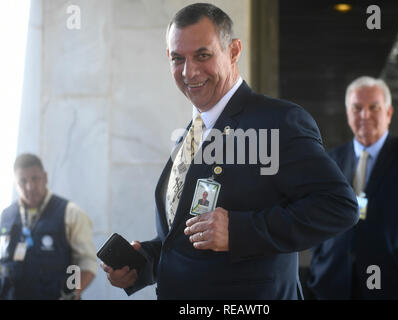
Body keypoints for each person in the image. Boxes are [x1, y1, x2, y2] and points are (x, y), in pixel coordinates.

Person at [101, 3, 358, 299]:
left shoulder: (278, 121)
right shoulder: (191, 133)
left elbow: (339, 207)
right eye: (177, 59)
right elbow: (188, 237)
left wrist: (238, 231)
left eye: (203, 55)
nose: (189, 71)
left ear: (234, 51)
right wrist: (143, 263)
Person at [307, 76, 398, 299]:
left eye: (374, 107)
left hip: (396, 286)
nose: (365, 115)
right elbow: (317, 220)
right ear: (347, 113)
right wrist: (318, 266)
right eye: (357, 108)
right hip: (334, 284)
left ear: (389, 113)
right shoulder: (330, 160)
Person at [0, 153, 98, 300]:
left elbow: (86, 264)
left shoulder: (70, 213)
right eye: (22, 181)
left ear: (45, 177)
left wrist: (71, 295)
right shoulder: (6, 216)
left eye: (35, 178)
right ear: (15, 184)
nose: (30, 186)